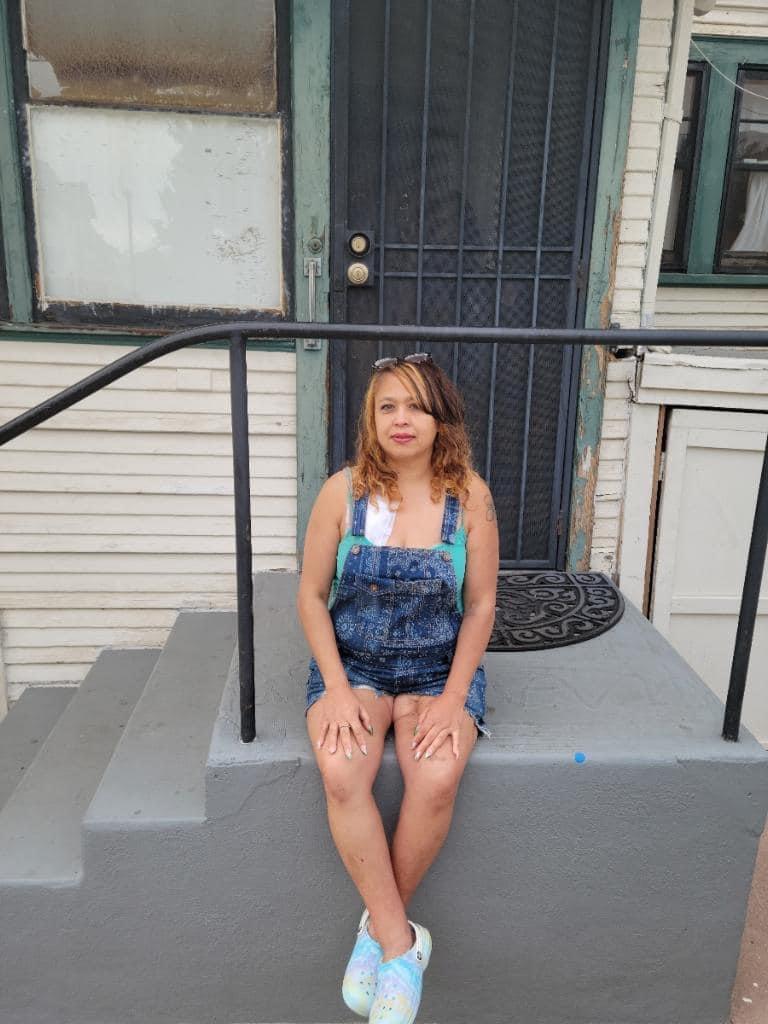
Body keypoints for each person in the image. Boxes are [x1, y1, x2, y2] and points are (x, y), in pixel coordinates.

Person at [297, 352, 499, 1024]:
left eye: (416, 406)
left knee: (437, 776)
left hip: (439, 671)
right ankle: (402, 944)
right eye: (388, 406)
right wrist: (333, 686)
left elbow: (481, 607)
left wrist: (450, 699)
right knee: (340, 767)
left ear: (441, 418)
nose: (402, 420)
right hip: (354, 665)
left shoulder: (469, 496)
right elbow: (310, 594)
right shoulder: (342, 492)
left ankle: (376, 938)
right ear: (371, 419)